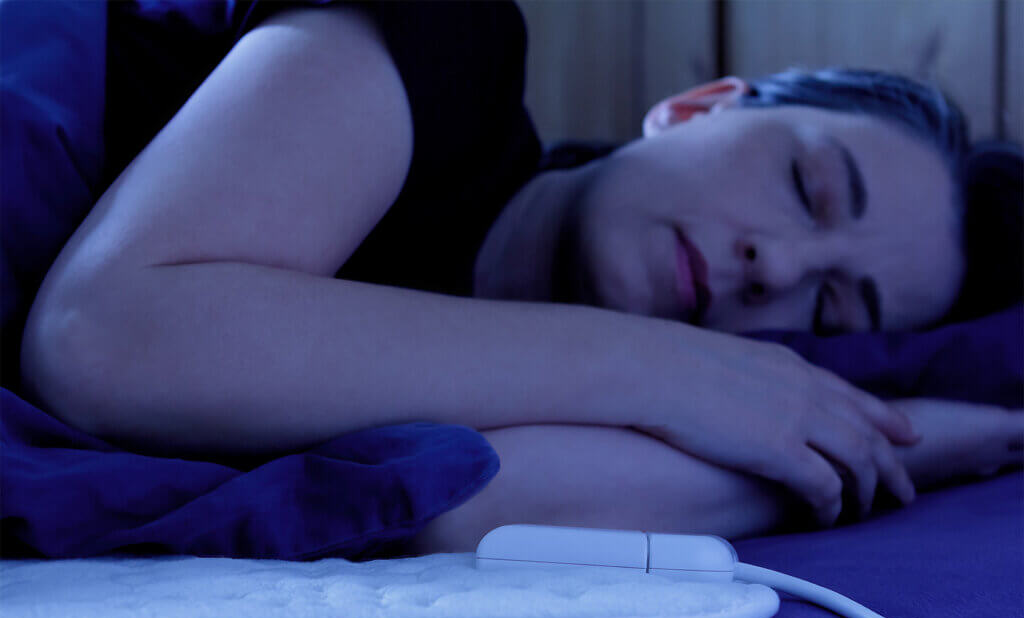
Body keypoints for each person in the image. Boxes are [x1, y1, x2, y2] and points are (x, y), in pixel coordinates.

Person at [15, 1, 1022, 553]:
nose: (776, 268)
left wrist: (895, 446)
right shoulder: (443, 43)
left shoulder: (585, 413)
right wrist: (659, 367)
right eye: (805, 187)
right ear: (699, 103)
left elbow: (459, 513)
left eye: (829, 307)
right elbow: (108, 334)